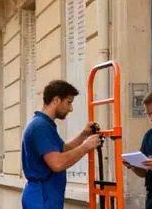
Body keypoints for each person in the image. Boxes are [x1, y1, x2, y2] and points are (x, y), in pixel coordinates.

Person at [22, 80, 103, 209]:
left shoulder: (44, 124)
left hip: (45, 195)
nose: (70, 108)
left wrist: (84, 135)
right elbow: (57, 163)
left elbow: (63, 149)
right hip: (42, 197)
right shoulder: (40, 127)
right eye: (69, 102)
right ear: (56, 100)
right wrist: (86, 146)